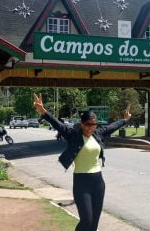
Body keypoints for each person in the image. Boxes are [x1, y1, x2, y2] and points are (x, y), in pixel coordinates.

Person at [33, 93, 131, 231]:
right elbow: (58, 125)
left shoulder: (98, 134)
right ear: (82, 124)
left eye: (94, 124)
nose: (91, 127)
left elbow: (112, 127)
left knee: (93, 225)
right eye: (88, 124)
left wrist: (125, 120)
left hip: (98, 183)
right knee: (86, 221)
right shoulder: (73, 135)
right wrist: (43, 111)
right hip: (81, 183)